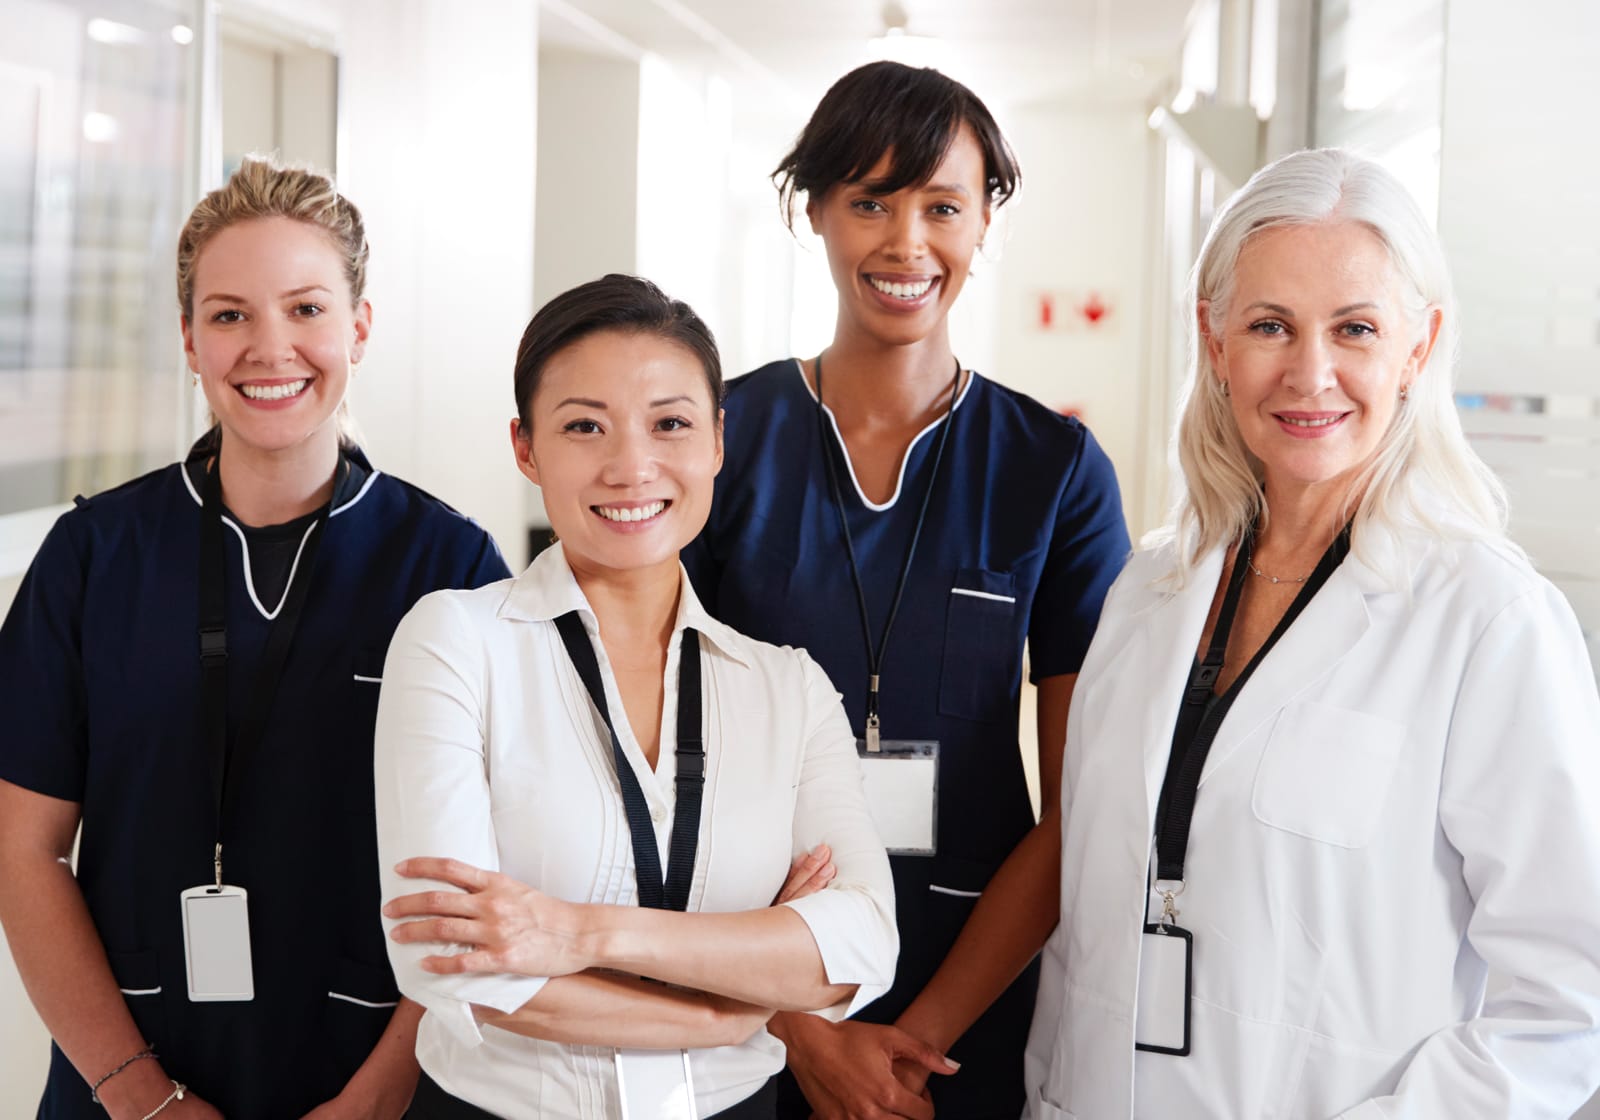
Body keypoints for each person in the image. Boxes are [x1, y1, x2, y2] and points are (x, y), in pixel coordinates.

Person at [1024, 147, 1600, 1118]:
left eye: (1356, 328)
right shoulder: (1151, 588)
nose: (1310, 372)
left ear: (1418, 347)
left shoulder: (1488, 622)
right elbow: (1084, 921)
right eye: (1269, 325)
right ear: (1212, 340)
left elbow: (1565, 1002)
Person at [0, 157, 509, 1119]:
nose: (270, 348)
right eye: (230, 315)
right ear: (189, 341)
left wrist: (380, 1094)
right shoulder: (93, 556)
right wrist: (136, 1094)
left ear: (359, 325)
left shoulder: (448, 564)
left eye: (307, 309)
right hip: (128, 1075)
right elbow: (21, 852)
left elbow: (487, 868)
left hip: (373, 1074)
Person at [682, 61, 1130, 1118]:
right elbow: (660, 771)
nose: (905, 242)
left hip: (967, 999)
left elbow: (1082, 805)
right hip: (744, 994)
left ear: (984, 223)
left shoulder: (1053, 470)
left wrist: (915, 1039)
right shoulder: (718, 441)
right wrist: (807, 1032)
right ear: (816, 213)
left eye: (941, 206)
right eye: (869, 202)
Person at [371, 274, 910, 1120]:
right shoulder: (455, 643)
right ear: (525, 446)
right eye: (584, 426)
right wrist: (742, 1004)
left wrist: (577, 934)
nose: (631, 466)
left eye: (670, 424)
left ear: (718, 441)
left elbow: (862, 944)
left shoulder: (786, 688)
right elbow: (450, 963)